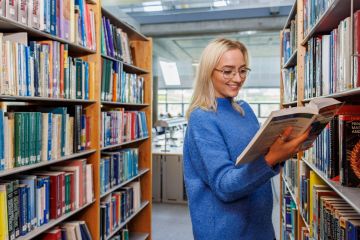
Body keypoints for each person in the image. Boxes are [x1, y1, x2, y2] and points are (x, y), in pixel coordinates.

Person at [183, 38, 310, 240]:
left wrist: (284, 146)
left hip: (260, 226)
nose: (238, 78)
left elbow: (257, 160)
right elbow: (224, 185)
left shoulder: (244, 110)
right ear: (208, 72)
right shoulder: (202, 118)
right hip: (226, 232)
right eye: (228, 71)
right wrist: (271, 159)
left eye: (242, 70)